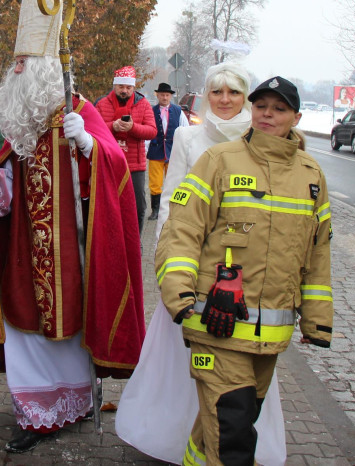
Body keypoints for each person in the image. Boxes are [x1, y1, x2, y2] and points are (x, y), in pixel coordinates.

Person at [0, 0, 146, 454]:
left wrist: (88, 146)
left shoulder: (79, 110)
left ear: (44, 68)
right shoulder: (21, 121)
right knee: (23, 326)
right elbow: (8, 195)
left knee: (71, 328)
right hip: (23, 249)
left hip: (73, 253)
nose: (15, 70)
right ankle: (35, 411)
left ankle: (74, 403)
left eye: (24, 62)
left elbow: (115, 172)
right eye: (15, 62)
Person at [155, 76, 333, 466]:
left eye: (279, 108)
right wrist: (179, 292)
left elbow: (317, 253)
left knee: (226, 422)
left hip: (269, 333)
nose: (268, 114)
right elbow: (181, 229)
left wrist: (317, 320)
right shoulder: (219, 160)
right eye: (262, 106)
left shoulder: (311, 175)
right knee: (233, 433)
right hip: (215, 321)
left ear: (296, 117)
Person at [117, 61, 287, 465]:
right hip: (193, 266)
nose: (224, 100)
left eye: (233, 92)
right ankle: (174, 437)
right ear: (206, 96)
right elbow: (174, 199)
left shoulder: (259, 136)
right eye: (217, 92)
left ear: (245, 96)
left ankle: (229, 440)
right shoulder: (188, 135)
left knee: (241, 362)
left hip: (242, 274)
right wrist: (169, 262)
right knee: (184, 358)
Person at [95, 66, 157, 232]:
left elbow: (152, 131)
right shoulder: (102, 104)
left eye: (128, 88)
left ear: (133, 88)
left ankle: (136, 242)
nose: (124, 91)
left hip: (134, 166)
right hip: (108, 163)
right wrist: (113, 126)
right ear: (114, 86)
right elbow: (92, 131)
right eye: (121, 87)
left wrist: (133, 128)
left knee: (138, 207)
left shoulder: (143, 104)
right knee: (109, 206)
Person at [146, 81, 188, 221]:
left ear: (171, 96)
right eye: (162, 95)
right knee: (155, 183)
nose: (164, 98)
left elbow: (185, 130)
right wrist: (145, 149)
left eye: (167, 95)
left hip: (173, 151)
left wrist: (184, 149)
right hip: (156, 150)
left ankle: (173, 209)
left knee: (174, 181)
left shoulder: (178, 111)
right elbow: (146, 132)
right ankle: (155, 210)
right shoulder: (151, 111)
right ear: (157, 96)